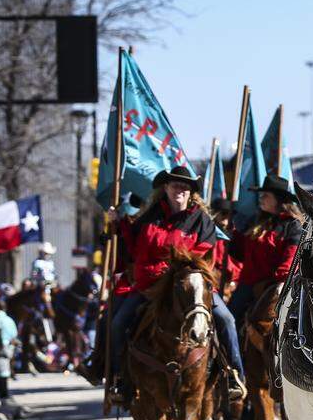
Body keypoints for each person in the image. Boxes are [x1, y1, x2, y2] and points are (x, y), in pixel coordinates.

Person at [106, 165, 244, 403]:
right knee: (117, 322)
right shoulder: (149, 218)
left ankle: (233, 374)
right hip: (150, 284)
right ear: (166, 188)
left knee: (227, 319)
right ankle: (118, 378)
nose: (179, 189)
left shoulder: (202, 221)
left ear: (191, 192)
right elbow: (133, 248)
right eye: (174, 185)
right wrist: (117, 224)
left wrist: (175, 269)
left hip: (190, 285)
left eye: (184, 186)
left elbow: (201, 255)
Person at [227, 175, 302, 322]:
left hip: (274, 283)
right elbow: (240, 252)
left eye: (265, 195)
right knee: (229, 319)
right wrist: (231, 235)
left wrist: (282, 279)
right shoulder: (256, 221)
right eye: (261, 195)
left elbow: (291, 255)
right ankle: (228, 346)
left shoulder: (292, 225)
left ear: (278, 200)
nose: (261, 198)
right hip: (248, 284)